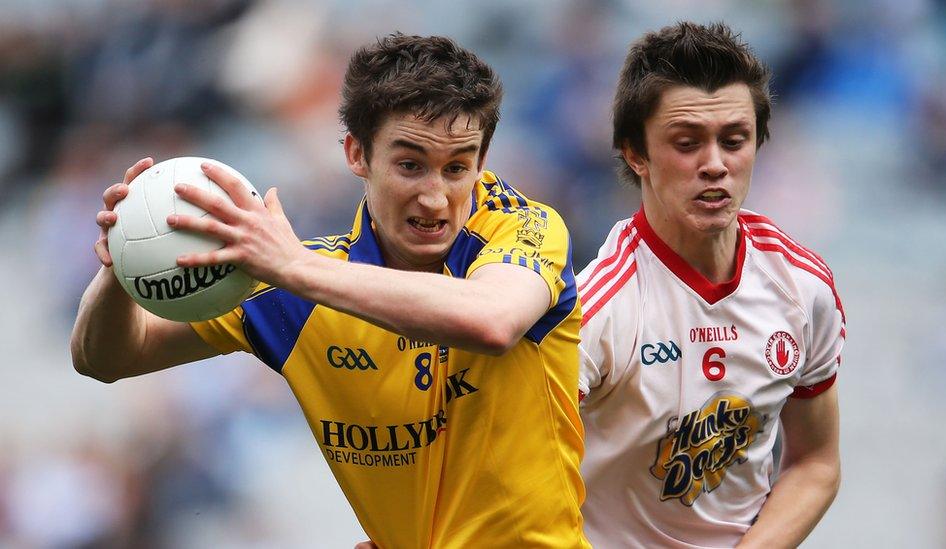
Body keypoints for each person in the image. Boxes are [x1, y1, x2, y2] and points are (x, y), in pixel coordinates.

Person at [71, 33, 589, 549]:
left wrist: (293, 265)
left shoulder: (524, 229)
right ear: (357, 153)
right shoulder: (291, 285)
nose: (435, 198)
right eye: (410, 165)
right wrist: (126, 265)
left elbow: (493, 321)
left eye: (457, 167)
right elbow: (108, 357)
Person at [577, 22, 845, 548]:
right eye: (686, 143)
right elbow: (512, 477)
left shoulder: (802, 288)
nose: (716, 165)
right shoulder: (595, 311)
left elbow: (816, 463)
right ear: (636, 154)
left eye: (734, 140)